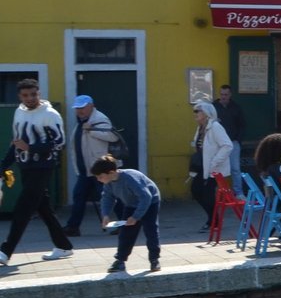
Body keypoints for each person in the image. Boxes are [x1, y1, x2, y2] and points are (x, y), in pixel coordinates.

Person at [2, 77, 75, 267]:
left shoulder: (50, 114)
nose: (30, 98)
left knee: (23, 208)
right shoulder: (19, 112)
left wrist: (31, 147)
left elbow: (60, 143)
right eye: (25, 95)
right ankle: (63, 245)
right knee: (43, 208)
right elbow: (17, 143)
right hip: (25, 167)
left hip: (43, 167)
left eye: (33, 94)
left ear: (39, 94)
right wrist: (3, 166)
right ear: (20, 96)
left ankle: (5, 250)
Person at [91, 155, 162, 274]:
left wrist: (135, 217)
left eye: (100, 176)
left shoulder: (130, 178)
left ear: (111, 172)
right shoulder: (109, 182)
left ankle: (154, 259)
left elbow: (146, 197)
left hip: (150, 202)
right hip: (131, 204)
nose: (98, 179)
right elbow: (107, 198)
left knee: (151, 230)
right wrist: (106, 215)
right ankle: (120, 261)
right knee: (126, 233)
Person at [62, 94, 121, 236]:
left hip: (101, 168)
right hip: (86, 169)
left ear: (91, 106)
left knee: (111, 196)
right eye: (77, 108)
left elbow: (113, 136)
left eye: (82, 108)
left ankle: (125, 223)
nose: (79, 111)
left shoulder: (99, 119)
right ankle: (73, 227)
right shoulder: (81, 122)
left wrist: (92, 131)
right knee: (79, 196)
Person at [189, 99, 235, 219]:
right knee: (196, 190)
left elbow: (227, 145)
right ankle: (213, 218)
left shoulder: (215, 127)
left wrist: (214, 161)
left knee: (207, 194)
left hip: (214, 169)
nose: (195, 114)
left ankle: (214, 220)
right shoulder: (200, 128)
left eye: (198, 111)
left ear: (205, 113)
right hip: (202, 166)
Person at [214, 84, 248, 177]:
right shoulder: (213, 107)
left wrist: (238, 140)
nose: (223, 97)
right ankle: (219, 191)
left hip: (233, 142)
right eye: (222, 94)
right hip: (218, 144)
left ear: (230, 95)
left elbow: (242, 125)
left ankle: (238, 191)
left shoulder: (236, 107)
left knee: (235, 169)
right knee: (217, 168)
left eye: (226, 94)